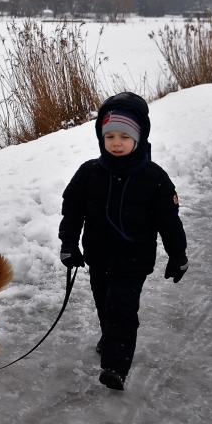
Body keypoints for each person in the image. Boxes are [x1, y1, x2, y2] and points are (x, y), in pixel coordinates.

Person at [58, 92, 188, 391]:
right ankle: (111, 339)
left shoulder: (154, 177)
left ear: (139, 138)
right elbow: (72, 210)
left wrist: (178, 254)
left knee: (122, 308)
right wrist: (68, 244)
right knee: (105, 304)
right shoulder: (89, 172)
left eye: (125, 137)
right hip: (99, 256)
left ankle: (116, 365)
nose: (116, 143)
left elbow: (169, 221)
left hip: (133, 260)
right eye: (110, 136)